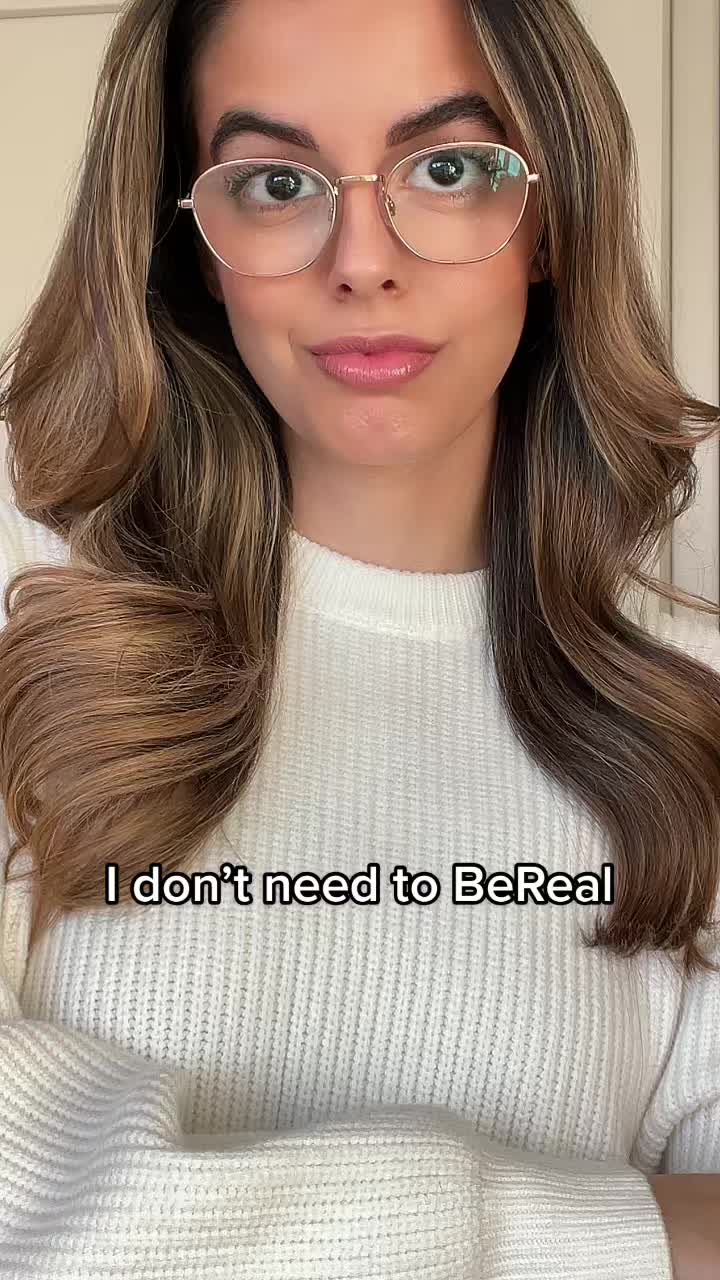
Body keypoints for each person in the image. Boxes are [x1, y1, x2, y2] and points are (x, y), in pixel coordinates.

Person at [0, 0, 719, 1274]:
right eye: (276, 183)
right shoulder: (33, 624)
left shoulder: (692, 713)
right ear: (193, 246)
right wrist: (606, 1231)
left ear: (550, 220)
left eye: (449, 167)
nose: (363, 262)